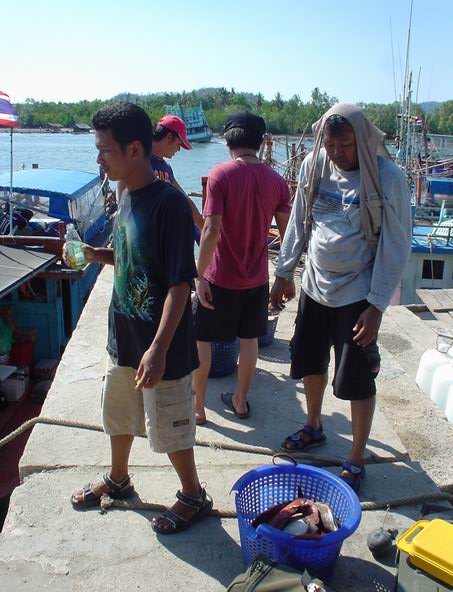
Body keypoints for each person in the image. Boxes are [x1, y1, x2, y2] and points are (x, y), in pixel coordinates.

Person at [67, 102, 212, 534]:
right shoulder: (126, 193)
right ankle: (118, 479)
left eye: (104, 150)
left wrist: (158, 349)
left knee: (171, 422)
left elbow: (179, 282)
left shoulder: (168, 203)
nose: (98, 159)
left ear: (134, 149)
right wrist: (97, 255)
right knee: (119, 412)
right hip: (125, 333)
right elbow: (133, 257)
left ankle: (193, 494)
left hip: (160, 344)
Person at [270, 103, 412, 492]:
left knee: (357, 379)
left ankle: (356, 456)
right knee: (310, 362)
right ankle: (314, 426)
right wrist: (284, 272)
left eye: (345, 145)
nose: (337, 154)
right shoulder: (315, 165)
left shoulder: (387, 177)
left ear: (362, 140)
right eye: (331, 145)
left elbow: (396, 246)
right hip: (315, 287)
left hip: (357, 293)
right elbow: (300, 218)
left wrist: (377, 305)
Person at [193, 112, 291, 425]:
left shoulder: (220, 174)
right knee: (249, 340)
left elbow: (211, 230)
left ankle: (197, 406)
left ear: (228, 140)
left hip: (220, 276)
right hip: (256, 278)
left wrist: (199, 275)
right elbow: (287, 234)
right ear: (261, 142)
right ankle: (240, 400)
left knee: (202, 338)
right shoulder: (277, 181)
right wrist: (283, 276)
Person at [116, 114, 204, 235]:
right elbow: (122, 195)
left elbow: (184, 199)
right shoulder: (139, 159)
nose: (178, 149)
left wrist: (204, 225)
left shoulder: (167, 169)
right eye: (178, 144)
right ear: (168, 137)